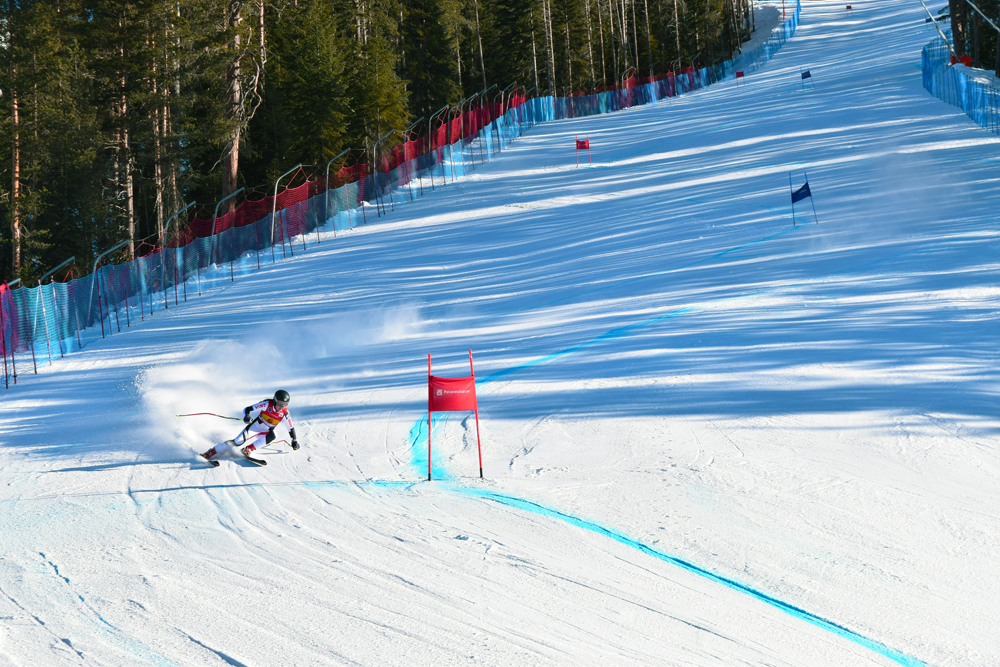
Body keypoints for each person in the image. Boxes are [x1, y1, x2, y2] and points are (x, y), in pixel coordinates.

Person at [200, 389, 299, 462]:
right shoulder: (267, 404)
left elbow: (290, 428)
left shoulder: (285, 413)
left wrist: (294, 440)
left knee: (274, 434)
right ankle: (211, 452)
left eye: (285, 404)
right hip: (255, 427)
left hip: (265, 431)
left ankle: (249, 449)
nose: (282, 407)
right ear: (275, 400)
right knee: (237, 442)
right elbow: (248, 409)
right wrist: (247, 416)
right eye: (281, 404)